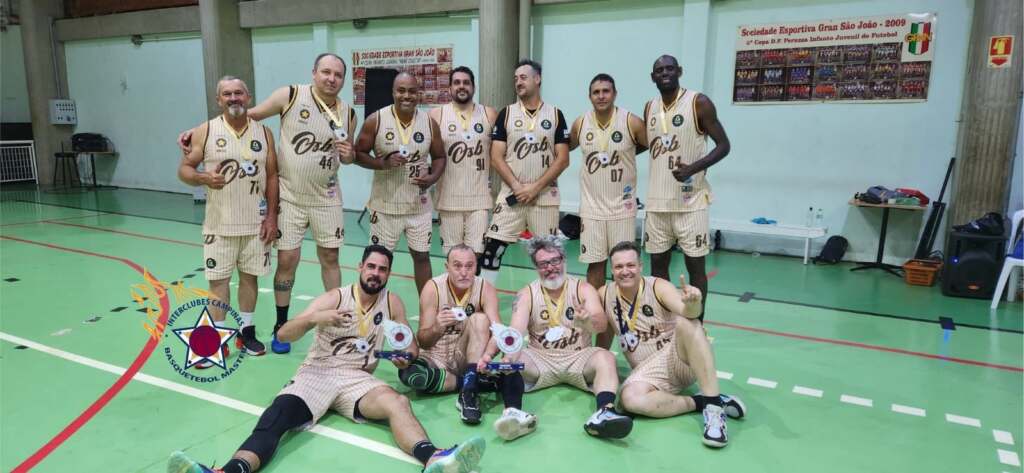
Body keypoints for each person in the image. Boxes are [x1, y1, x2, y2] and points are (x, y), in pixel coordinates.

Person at [166, 245, 485, 473]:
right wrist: (315, 318)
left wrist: (406, 356)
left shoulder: (393, 302)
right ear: (360, 268)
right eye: (371, 267)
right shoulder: (335, 297)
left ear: (388, 274)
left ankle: (434, 459)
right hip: (318, 373)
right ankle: (230, 470)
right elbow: (283, 335)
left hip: (358, 380)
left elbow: (412, 347)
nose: (376, 274)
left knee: (398, 403)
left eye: (383, 269)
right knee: (277, 418)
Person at [179, 53, 358, 354]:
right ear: (314, 73)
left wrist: (350, 155)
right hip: (290, 196)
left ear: (343, 80)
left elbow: (348, 156)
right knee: (287, 262)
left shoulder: (348, 113)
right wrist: (198, 132)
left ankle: (334, 323)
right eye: (325, 72)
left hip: (327, 197)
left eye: (338, 75)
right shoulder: (290, 95)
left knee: (330, 258)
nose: (331, 78)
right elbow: (244, 113)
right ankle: (280, 325)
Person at [598, 241, 746, 447]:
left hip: (677, 359)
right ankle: (701, 401)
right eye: (619, 267)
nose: (625, 271)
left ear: (641, 266)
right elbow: (598, 328)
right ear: (611, 270)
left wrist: (693, 304)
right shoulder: (605, 294)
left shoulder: (658, 287)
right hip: (648, 374)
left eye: (630, 265)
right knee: (629, 399)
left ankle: (713, 412)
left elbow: (688, 313)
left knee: (689, 323)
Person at [177, 75, 278, 361]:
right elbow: (184, 169)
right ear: (218, 100)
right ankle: (217, 336)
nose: (234, 98)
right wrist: (202, 177)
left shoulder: (264, 133)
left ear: (248, 97)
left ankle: (247, 333)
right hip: (219, 225)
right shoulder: (205, 131)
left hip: (255, 225)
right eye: (227, 94)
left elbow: (272, 176)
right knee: (218, 283)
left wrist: (272, 217)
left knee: (250, 279)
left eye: (239, 93)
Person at [502, 235, 633, 439]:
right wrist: (509, 356)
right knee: (513, 361)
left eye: (555, 261)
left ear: (564, 259)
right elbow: (516, 331)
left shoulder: (583, 289)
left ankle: (604, 413)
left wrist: (587, 321)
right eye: (544, 263)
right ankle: (513, 414)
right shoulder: (526, 294)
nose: (551, 267)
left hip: (579, 357)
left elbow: (601, 324)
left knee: (606, 357)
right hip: (541, 358)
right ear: (536, 267)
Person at [402, 244, 534, 438]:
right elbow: (423, 341)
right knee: (411, 375)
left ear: (476, 267)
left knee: (480, 319)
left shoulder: (484, 287)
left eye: (469, 266)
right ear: (447, 267)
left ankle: (469, 392)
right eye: (457, 266)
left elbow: (498, 331)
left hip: (470, 355)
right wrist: (437, 326)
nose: (464, 272)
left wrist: (488, 356)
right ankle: (478, 382)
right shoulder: (432, 287)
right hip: (438, 356)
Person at [643, 54, 731, 322]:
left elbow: (724, 145)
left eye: (670, 68)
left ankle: (697, 326)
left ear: (679, 71)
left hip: (691, 203)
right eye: (659, 70)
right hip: (657, 203)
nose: (665, 73)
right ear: (653, 77)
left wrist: (693, 168)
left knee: (696, 269)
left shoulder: (698, 102)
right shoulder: (649, 107)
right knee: (658, 270)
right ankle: (667, 324)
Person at [480, 60, 570, 284]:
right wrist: (518, 187)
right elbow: (496, 156)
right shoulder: (507, 114)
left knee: (550, 254)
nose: (518, 82)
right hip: (512, 196)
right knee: (492, 248)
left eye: (523, 77)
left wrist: (535, 187)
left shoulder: (556, 115)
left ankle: (555, 304)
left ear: (537, 79)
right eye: (515, 79)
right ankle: (484, 300)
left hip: (543, 197)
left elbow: (563, 159)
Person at [354, 72, 445, 293]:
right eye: (401, 90)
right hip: (385, 207)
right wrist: (381, 163)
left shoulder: (429, 123)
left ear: (418, 94)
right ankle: (373, 306)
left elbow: (441, 157)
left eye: (412, 91)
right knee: (378, 261)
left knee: (422, 257)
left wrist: (432, 178)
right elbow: (357, 154)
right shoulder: (376, 120)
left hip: (418, 206)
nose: (407, 96)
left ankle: (428, 309)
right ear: (393, 92)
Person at [568, 73, 647, 290]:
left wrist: (627, 154)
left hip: (622, 208)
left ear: (614, 94)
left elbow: (650, 144)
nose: (601, 96)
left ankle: (624, 311)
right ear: (589, 96)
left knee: (624, 266)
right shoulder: (581, 123)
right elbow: (564, 148)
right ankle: (596, 313)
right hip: (592, 208)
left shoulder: (631, 121)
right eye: (596, 92)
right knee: (595, 264)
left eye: (606, 91)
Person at [428, 66, 497, 258]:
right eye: (456, 82)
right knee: (453, 259)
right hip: (448, 199)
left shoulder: (489, 114)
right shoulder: (436, 115)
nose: (461, 86)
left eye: (466, 82)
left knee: (475, 257)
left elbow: (501, 154)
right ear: (449, 88)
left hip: (479, 199)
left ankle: (475, 290)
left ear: (473, 87)